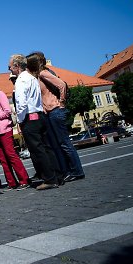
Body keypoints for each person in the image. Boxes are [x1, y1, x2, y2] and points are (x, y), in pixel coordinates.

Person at [10, 54, 62, 190]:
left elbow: (21, 104)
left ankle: (49, 179)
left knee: (38, 150)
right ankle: (57, 175)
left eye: (10, 66)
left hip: (29, 118)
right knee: (47, 147)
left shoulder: (20, 81)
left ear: (16, 66)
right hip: (39, 115)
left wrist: (21, 121)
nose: (9, 69)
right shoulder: (32, 77)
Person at [31, 52, 85, 182]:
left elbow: (61, 85)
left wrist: (61, 102)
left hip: (56, 111)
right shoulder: (39, 75)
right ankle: (70, 170)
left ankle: (77, 171)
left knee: (64, 143)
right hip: (50, 111)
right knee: (60, 144)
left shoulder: (43, 73)